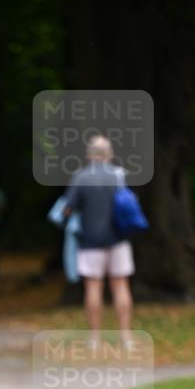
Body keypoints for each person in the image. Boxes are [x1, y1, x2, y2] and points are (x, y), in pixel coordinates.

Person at [63, 135, 135, 349]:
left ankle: (95, 338)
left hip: (90, 242)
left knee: (93, 287)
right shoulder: (119, 176)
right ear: (109, 154)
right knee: (121, 286)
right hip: (118, 240)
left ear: (89, 155)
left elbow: (68, 209)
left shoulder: (81, 177)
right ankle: (126, 337)